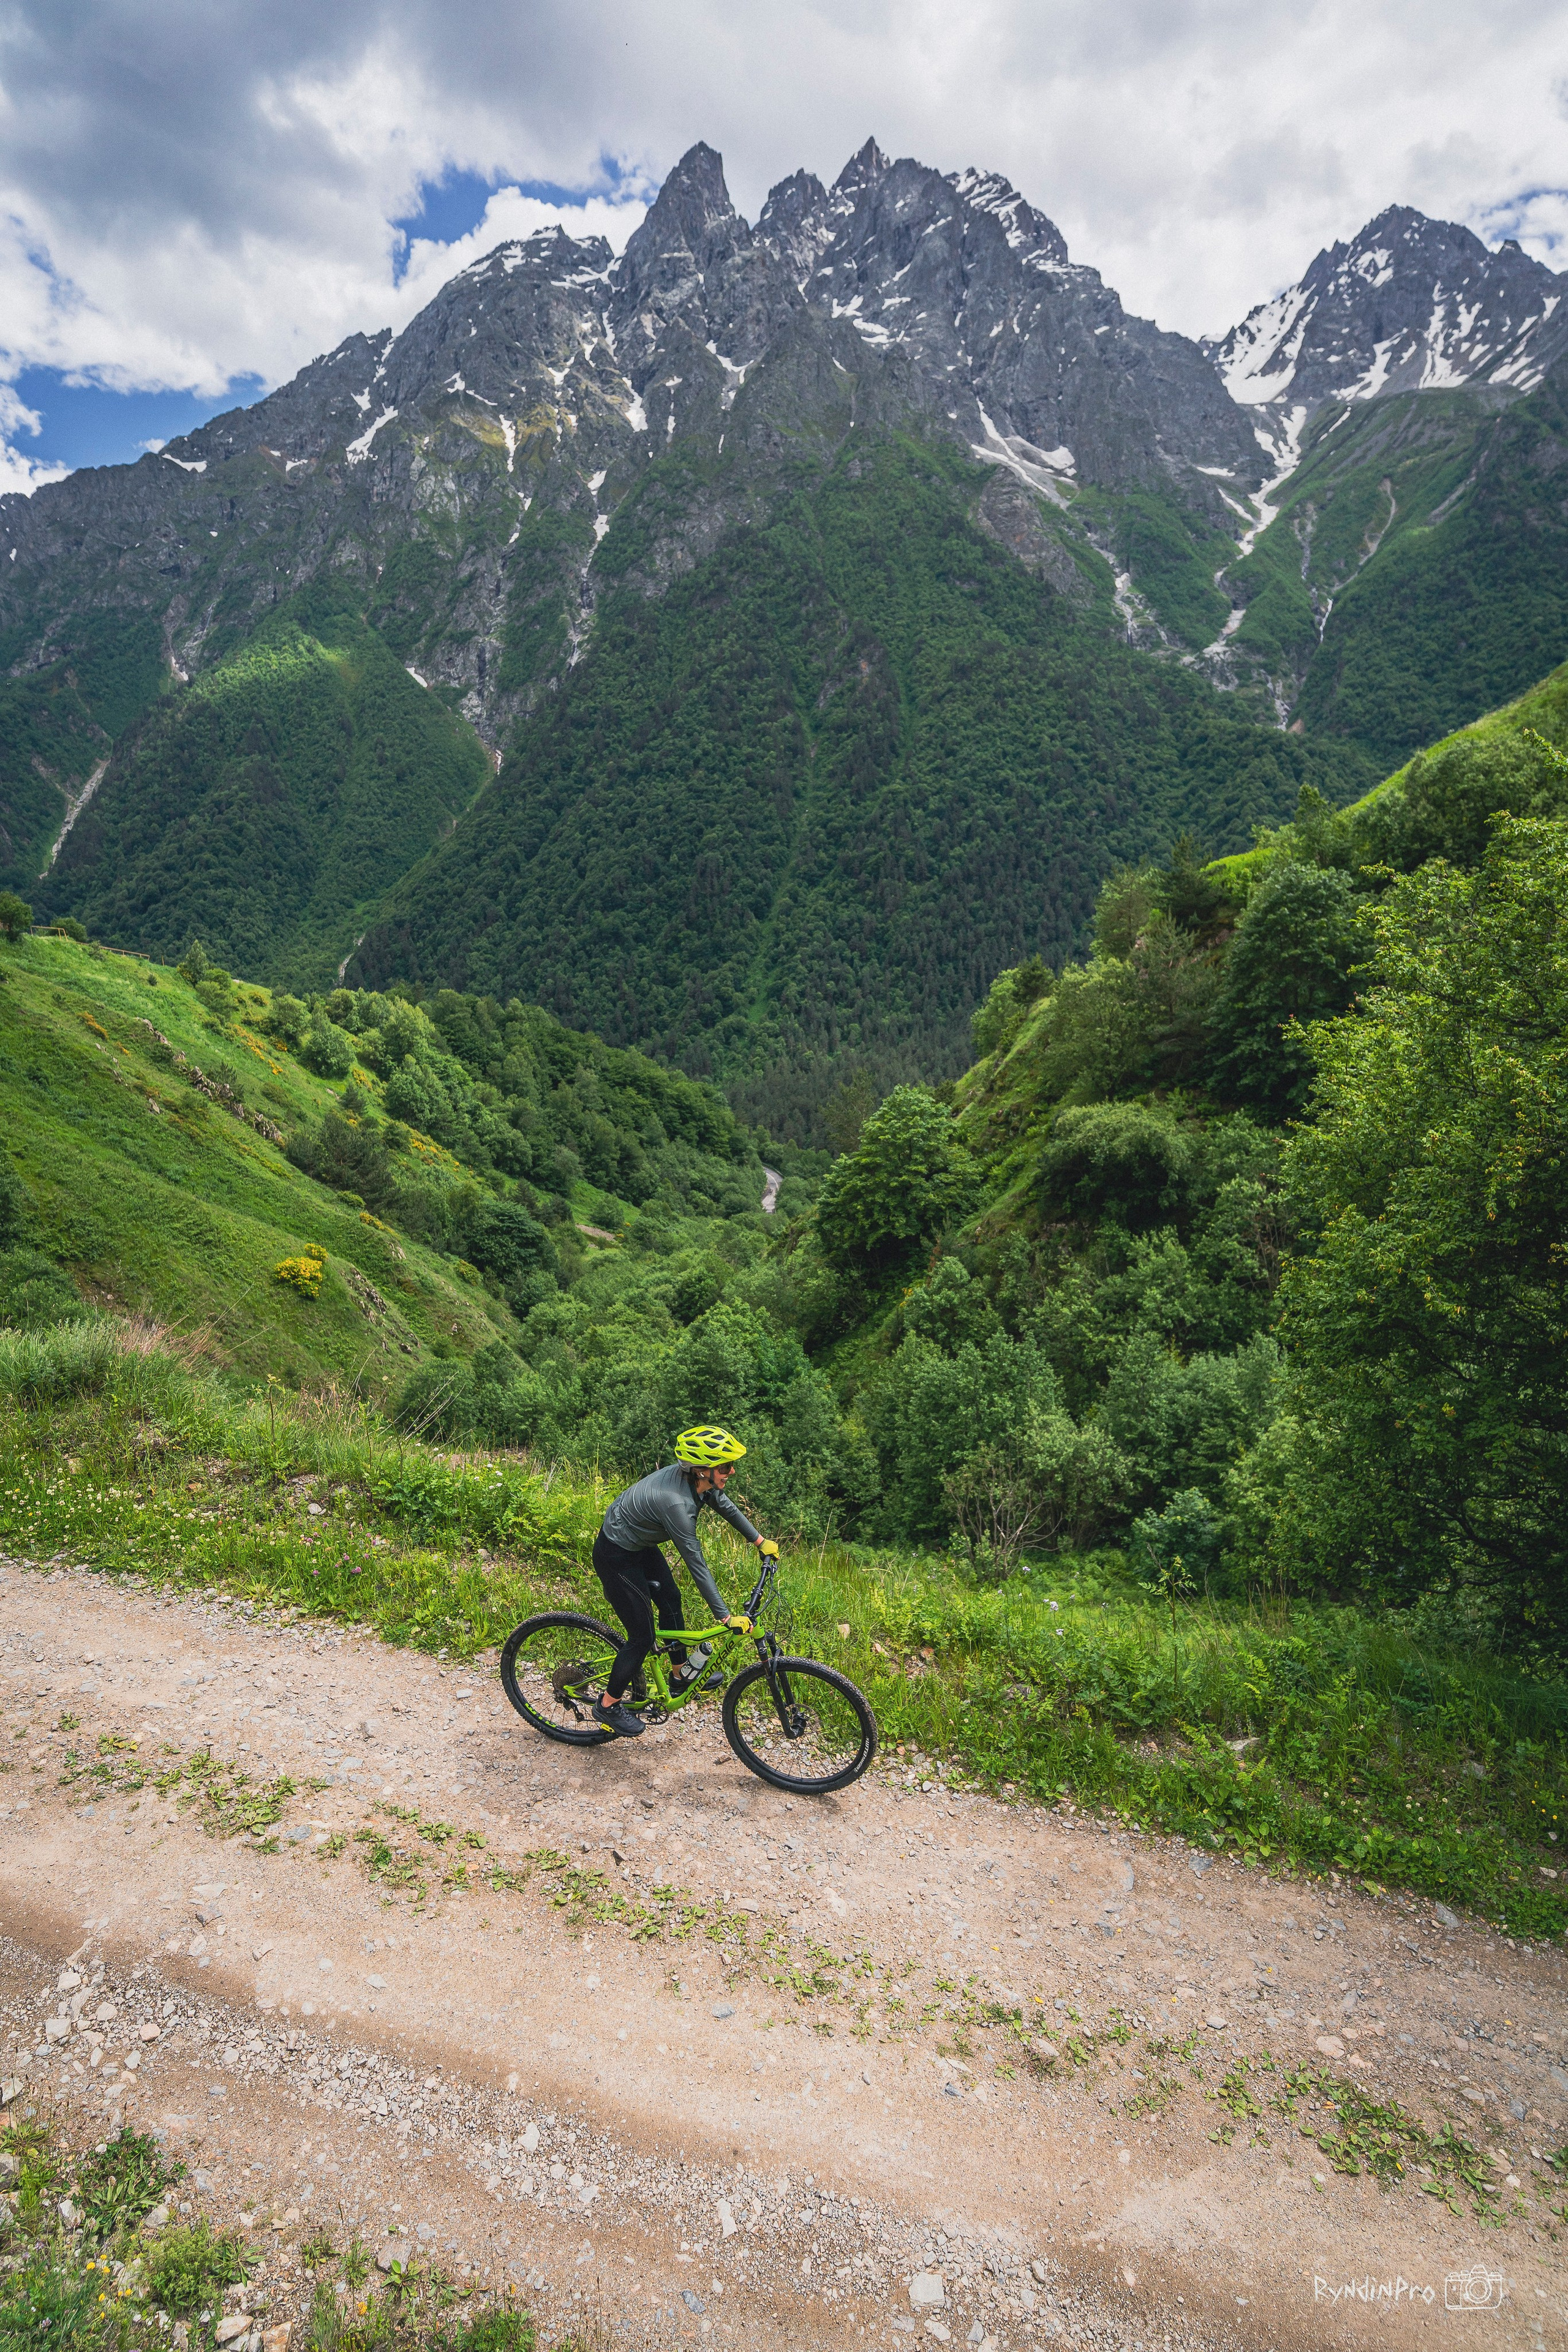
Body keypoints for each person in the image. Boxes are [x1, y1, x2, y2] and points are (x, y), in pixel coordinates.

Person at [590, 1425, 777, 1737]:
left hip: (638, 1544)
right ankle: (608, 1705)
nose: (731, 1471)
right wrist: (726, 1616)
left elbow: (726, 1506)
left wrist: (759, 1541)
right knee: (642, 1635)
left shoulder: (699, 1482)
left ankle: (679, 1674)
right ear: (702, 1470)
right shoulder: (676, 1504)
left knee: (671, 1599)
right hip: (616, 1554)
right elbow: (696, 1562)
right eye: (725, 1467)